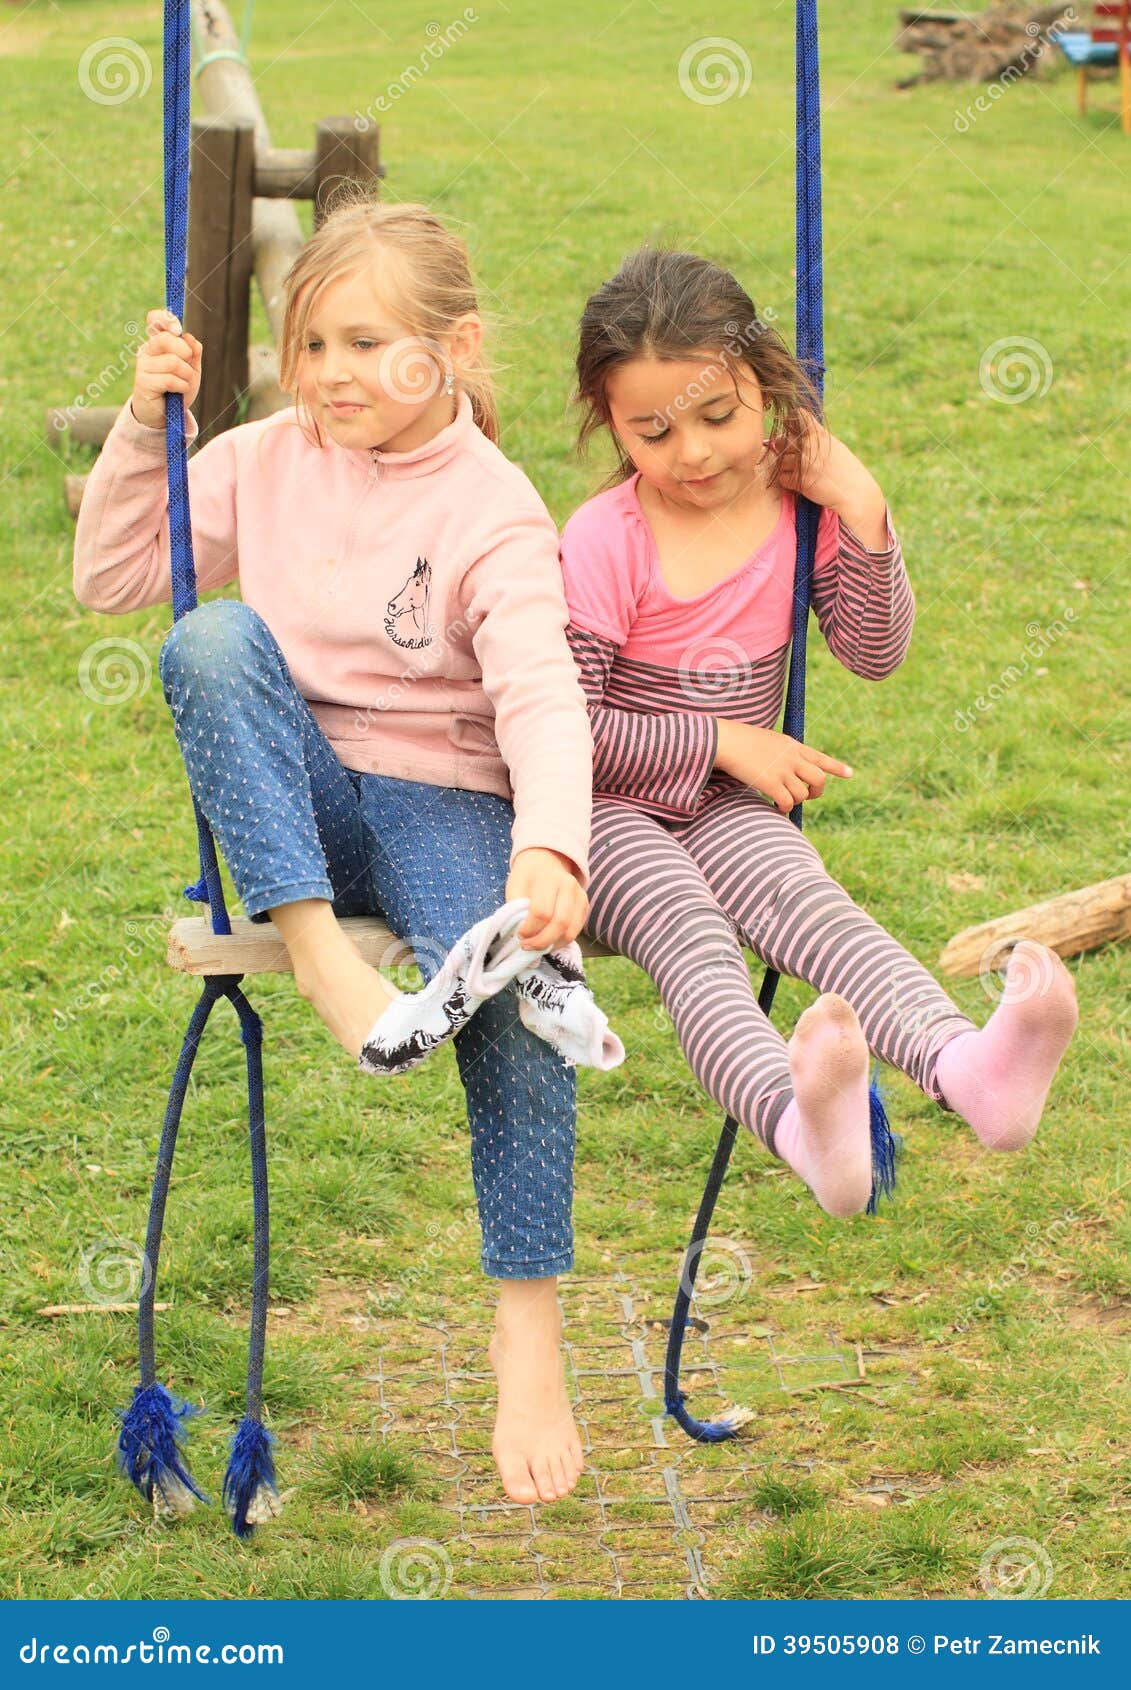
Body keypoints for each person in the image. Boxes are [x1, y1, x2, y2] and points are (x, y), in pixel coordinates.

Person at [72, 198, 615, 1507]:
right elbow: (114, 575)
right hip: (300, 807)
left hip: (446, 800)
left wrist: (551, 850)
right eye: (310, 343)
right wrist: (152, 432)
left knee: (512, 1010)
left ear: (458, 349)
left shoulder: (494, 508)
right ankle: (319, 957)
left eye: (367, 343)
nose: (331, 374)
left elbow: (539, 688)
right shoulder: (267, 455)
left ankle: (526, 1329)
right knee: (208, 641)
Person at [559, 247, 1078, 1218]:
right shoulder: (605, 539)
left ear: (768, 386)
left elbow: (874, 652)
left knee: (818, 913)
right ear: (609, 420)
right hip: (599, 812)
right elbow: (562, 728)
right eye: (653, 430)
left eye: (719, 415)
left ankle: (968, 1069)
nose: (696, 452)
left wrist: (861, 505)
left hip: (725, 805)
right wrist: (717, 739)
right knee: (695, 937)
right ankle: (806, 1130)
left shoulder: (797, 515)